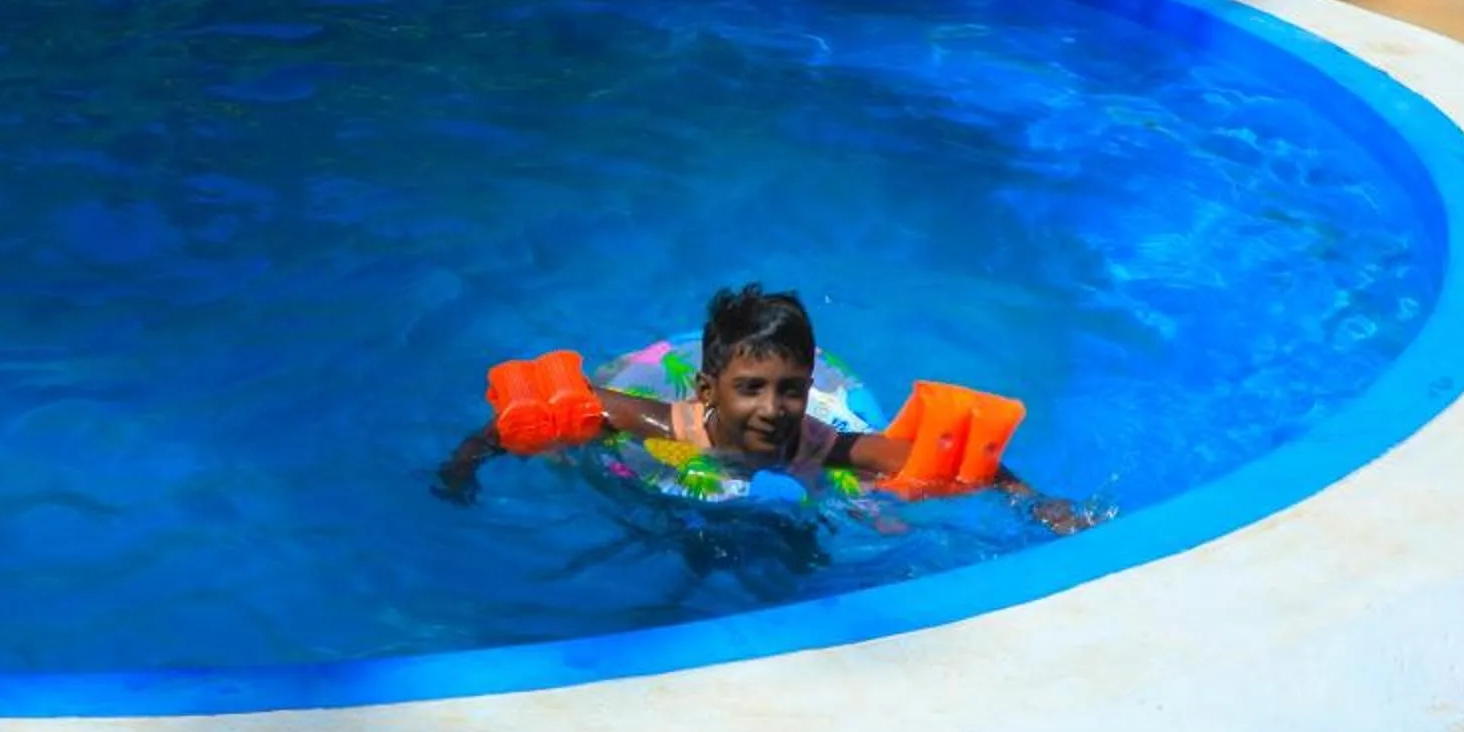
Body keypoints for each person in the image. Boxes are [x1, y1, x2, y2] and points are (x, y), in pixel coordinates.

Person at [434, 283, 1087, 531]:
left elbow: (947, 461)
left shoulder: (817, 444)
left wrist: (1036, 501)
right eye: (750, 388)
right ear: (707, 390)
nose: (774, 408)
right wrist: (465, 464)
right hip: (665, 471)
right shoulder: (653, 419)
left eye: (790, 389)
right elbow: (543, 412)